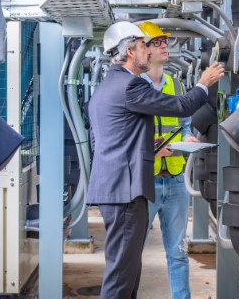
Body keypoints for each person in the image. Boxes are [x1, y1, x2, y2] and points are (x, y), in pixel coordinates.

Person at [86, 21, 224, 299]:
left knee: (127, 271)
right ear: (128, 51)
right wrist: (203, 83)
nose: (148, 51)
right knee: (120, 276)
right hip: (124, 193)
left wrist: (149, 148)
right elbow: (182, 106)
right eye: (142, 46)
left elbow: (107, 142)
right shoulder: (130, 86)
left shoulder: (107, 86)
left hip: (117, 189)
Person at [138, 21, 198, 299]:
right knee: (131, 254)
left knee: (178, 253)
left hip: (174, 180)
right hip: (144, 182)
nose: (164, 46)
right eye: (157, 42)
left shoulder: (175, 83)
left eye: (165, 41)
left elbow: (184, 124)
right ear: (142, 49)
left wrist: (189, 141)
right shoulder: (134, 86)